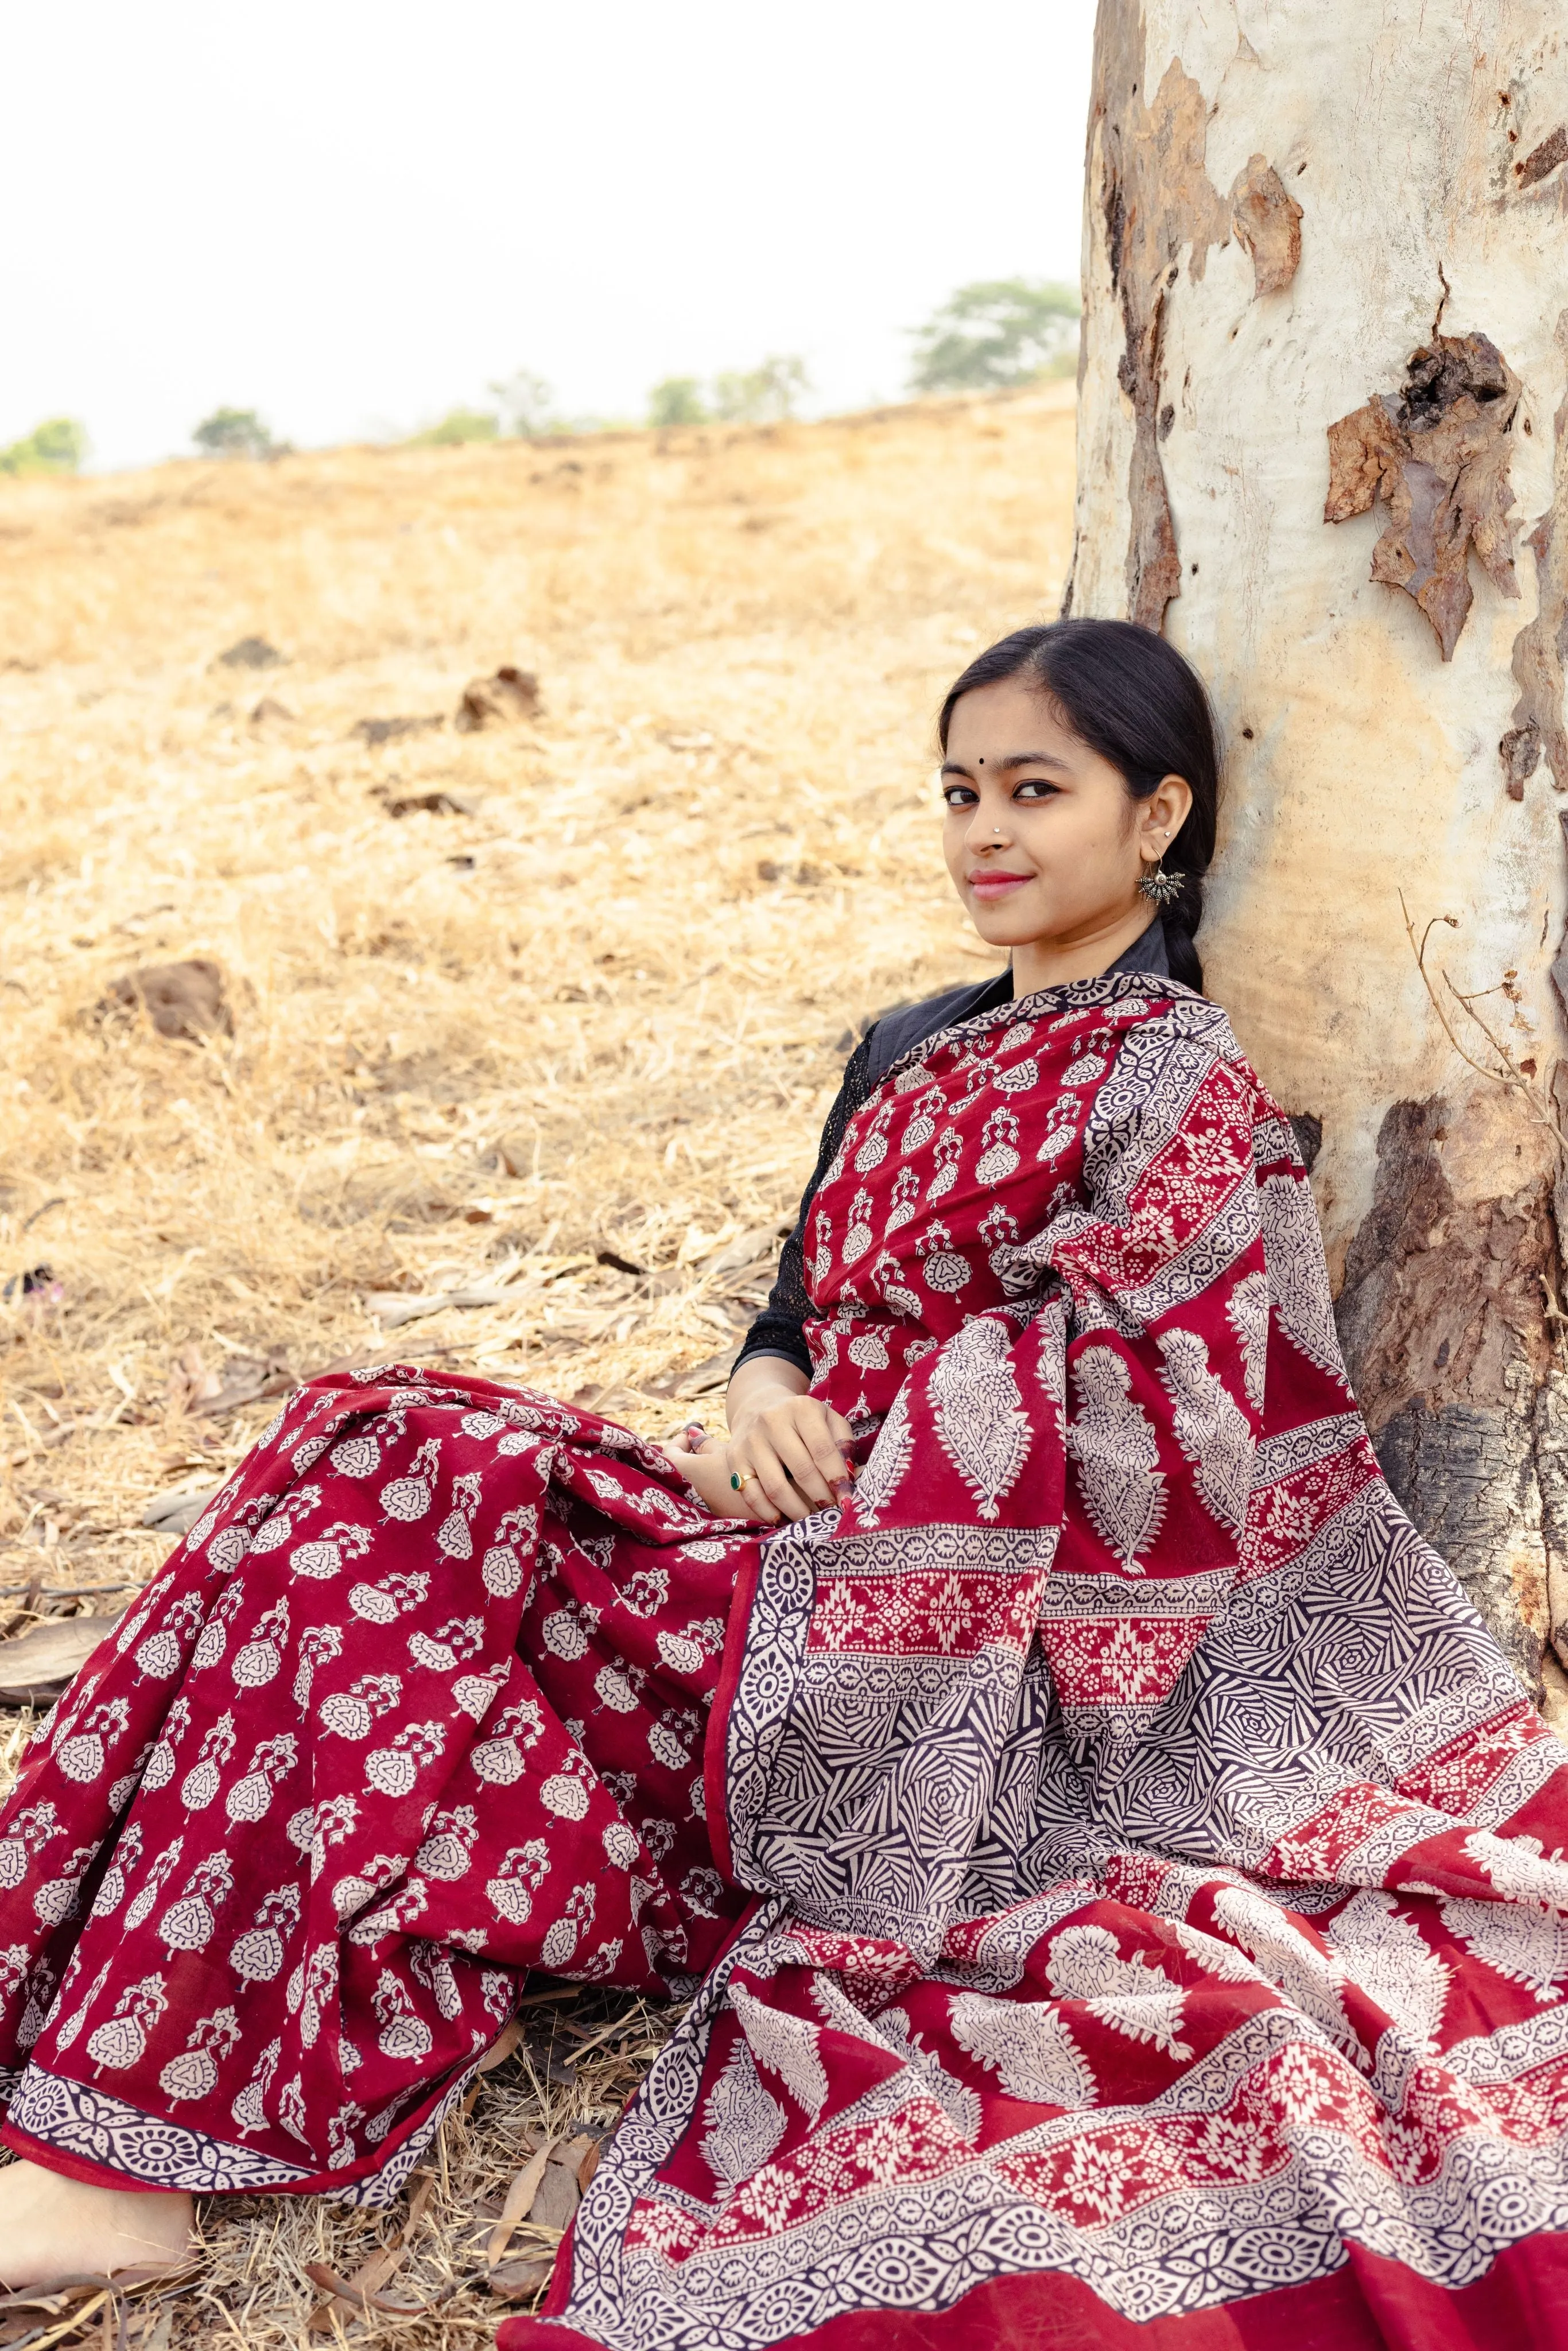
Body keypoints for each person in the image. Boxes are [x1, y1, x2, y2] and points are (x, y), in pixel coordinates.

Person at [2, 622, 1567, 2351]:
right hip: (778, 1540)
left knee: (395, 1482)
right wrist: (759, 1395)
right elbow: (791, 1306)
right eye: (959, 790)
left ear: (1155, 817)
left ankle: (120, 2172)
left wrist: (919, 1429)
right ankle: (105, 2081)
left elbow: (1172, 1431)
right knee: (353, 1442)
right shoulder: (903, 1045)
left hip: (942, 1658)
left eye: (1036, 791)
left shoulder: (1172, 1078)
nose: (983, 830)